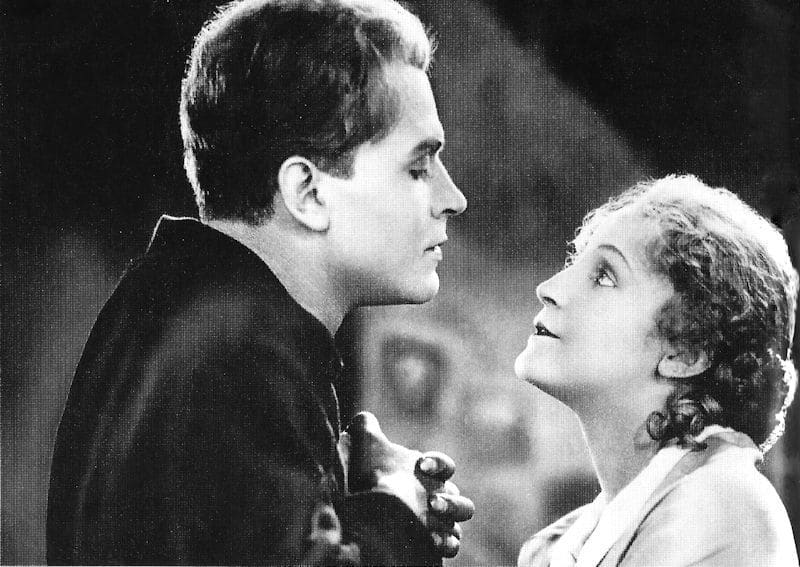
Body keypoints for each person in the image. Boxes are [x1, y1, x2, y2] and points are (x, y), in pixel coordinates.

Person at [46, 0, 474, 564]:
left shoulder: (177, 312)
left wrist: (357, 505)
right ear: (308, 193)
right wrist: (398, 511)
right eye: (418, 168)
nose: (452, 198)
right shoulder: (239, 358)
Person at [515, 174, 799, 566]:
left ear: (687, 352)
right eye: (573, 264)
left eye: (604, 276)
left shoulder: (722, 506)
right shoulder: (557, 546)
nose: (548, 288)